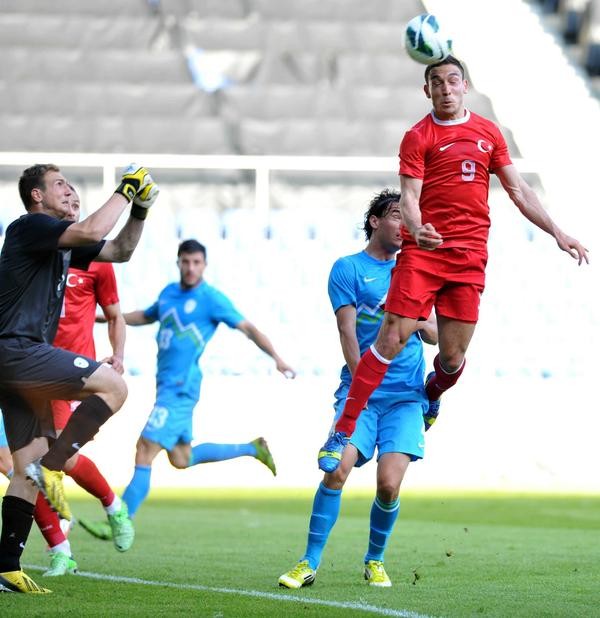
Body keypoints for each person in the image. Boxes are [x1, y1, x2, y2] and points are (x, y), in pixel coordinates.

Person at [318, 55, 589, 472]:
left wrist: (558, 232)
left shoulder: (487, 132)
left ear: (465, 86)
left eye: (452, 81)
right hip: (423, 254)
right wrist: (418, 226)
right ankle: (343, 429)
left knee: (451, 360)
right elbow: (408, 196)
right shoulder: (418, 136)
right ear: (427, 90)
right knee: (390, 337)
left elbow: (518, 190)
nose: (445, 89)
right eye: (437, 83)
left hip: (468, 259)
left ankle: (433, 392)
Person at [0, 163, 158, 594]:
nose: (72, 193)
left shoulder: (62, 245)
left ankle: (7, 568)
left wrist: (140, 209)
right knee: (115, 385)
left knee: (25, 467)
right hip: (20, 351)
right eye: (60, 186)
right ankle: (56, 468)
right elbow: (91, 230)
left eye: (72, 188)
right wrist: (127, 189)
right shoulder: (30, 227)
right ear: (36, 196)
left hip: (12, 362)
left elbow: (121, 250)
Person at [279, 190, 437, 589]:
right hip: (361, 395)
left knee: (389, 484)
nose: (406, 226)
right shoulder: (348, 268)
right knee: (336, 469)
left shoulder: (415, 269)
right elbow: (347, 332)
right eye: (399, 216)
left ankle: (375, 560)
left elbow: (435, 333)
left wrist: (413, 322)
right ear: (375, 221)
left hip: (404, 397)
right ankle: (308, 561)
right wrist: (361, 387)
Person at [86, 239, 296, 527]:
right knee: (181, 458)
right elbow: (145, 316)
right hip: (167, 385)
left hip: (180, 388)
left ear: (204, 265)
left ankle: (122, 520)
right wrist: (104, 317)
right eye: (185, 261)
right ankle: (253, 448)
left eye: (196, 262)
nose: (190, 268)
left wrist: (277, 358)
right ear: (178, 262)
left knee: (145, 448)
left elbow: (247, 328)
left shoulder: (211, 299)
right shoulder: (169, 293)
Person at [32, 184, 135, 579]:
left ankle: (112, 506)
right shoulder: (38, 253)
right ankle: (61, 550)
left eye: (78, 200)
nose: (72, 203)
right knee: (22, 463)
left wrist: (119, 355)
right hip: (29, 367)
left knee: (55, 458)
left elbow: (115, 315)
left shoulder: (96, 262)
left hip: (69, 372)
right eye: (66, 196)